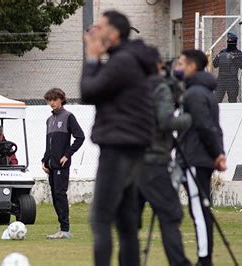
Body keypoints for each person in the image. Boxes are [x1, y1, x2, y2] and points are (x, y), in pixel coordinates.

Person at [81, 10, 154, 265]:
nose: (94, 32)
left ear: (113, 34)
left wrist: (92, 59)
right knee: (126, 221)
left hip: (117, 148)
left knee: (101, 218)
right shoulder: (130, 60)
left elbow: (89, 91)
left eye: (99, 27)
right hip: (133, 148)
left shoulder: (122, 61)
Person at [137, 47, 192, 266]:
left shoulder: (130, 89)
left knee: (130, 221)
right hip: (154, 161)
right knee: (170, 215)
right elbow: (166, 122)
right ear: (158, 65)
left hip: (129, 161)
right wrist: (189, 118)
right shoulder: (159, 88)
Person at [175, 49, 227, 266]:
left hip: (195, 158)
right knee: (199, 208)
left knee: (199, 209)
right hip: (198, 157)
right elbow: (215, 127)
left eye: (181, 63)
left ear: (192, 66)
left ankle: (204, 259)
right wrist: (218, 152)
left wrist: (217, 154)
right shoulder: (204, 91)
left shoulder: (195, 93)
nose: (178, 67)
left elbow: (205, 126)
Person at [41, 88, 85, 240]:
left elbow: (80, 137)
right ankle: (61, 228)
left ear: (61, 99)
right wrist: (44, 160)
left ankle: (65, 229)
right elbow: (49, 144)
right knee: (54, 196)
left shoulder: (68, 117)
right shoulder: (49, 120)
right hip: (51, 165)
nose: (51, 103)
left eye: (54, 99)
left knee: (60, 195)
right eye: (49, 100)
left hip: (62, 165)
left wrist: (67, 154)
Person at [212, 32, 242, 103]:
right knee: (217, 100)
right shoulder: (222, 52)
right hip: (221, 80)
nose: (230, 43)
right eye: (229, 41)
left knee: (232, 101)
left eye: (231, 41)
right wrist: (217, 57)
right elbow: (215, 65)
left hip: (232, 81)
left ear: (235, 42)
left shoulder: (239, 53)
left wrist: (234, 58)